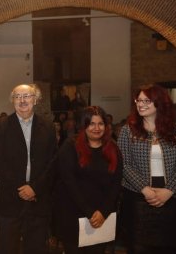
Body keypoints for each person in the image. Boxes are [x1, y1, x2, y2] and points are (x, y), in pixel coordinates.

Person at [117, 84, 176, 254]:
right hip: (137, 199)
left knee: (170, 247)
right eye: (138, 100)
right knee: (138, 248)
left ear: (159, 103)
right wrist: (145, 189)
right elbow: (122, 163)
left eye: (146, 100)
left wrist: (170, 190)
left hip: (172, 199)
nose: (141, 104)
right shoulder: (128, 131)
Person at [0, 83, 57, 254]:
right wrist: (22, 189)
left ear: (35, 100)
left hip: (38, 200)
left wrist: (34, 188)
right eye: (17, 97)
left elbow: (53, 162)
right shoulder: (1, 126)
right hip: (11, 200)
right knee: (7, 248)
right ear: (12, 101)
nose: (22, 100)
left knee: (36, 248)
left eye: (27, 96)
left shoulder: (48, 126)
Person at [53, 106, 122, 254]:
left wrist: (103, 212)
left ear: (106, 126)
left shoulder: (113, 148)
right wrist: (90, 211)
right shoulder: (70, 146)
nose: (96, 128)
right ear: (83, 125)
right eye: (91, 123)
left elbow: (116, 183)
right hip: (73, 215)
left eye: (100, 124)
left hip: (102, 217)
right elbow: (68, 182)